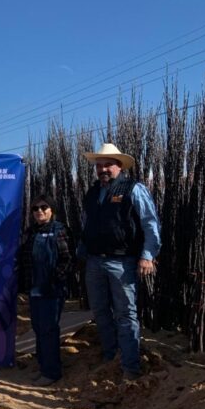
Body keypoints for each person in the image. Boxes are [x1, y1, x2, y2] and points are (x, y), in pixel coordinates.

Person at [79, 143, 161, 381]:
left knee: (126, 315)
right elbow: (87, 223)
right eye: (99, 165)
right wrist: (82, 249)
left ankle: (130, 368)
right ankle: (110, 357)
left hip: (122, 262)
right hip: (95, 261)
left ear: (119, 166)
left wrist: (147, 255)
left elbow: (150, 223)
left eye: (108, 165)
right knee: (100, 311)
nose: (103, 169)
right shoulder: (93, 192)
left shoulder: (133, 189)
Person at [18, 194, 74, 386]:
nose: (39, 211)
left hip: (51, 290)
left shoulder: (59, 230)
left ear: (52, 210)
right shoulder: (31, 232)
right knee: (38, 328)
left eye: (44, 207)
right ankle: (43, 366)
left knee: (49, 330)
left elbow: (67, 259)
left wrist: (55, 279)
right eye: (35, 208)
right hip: (34, 289)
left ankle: (51, 372)